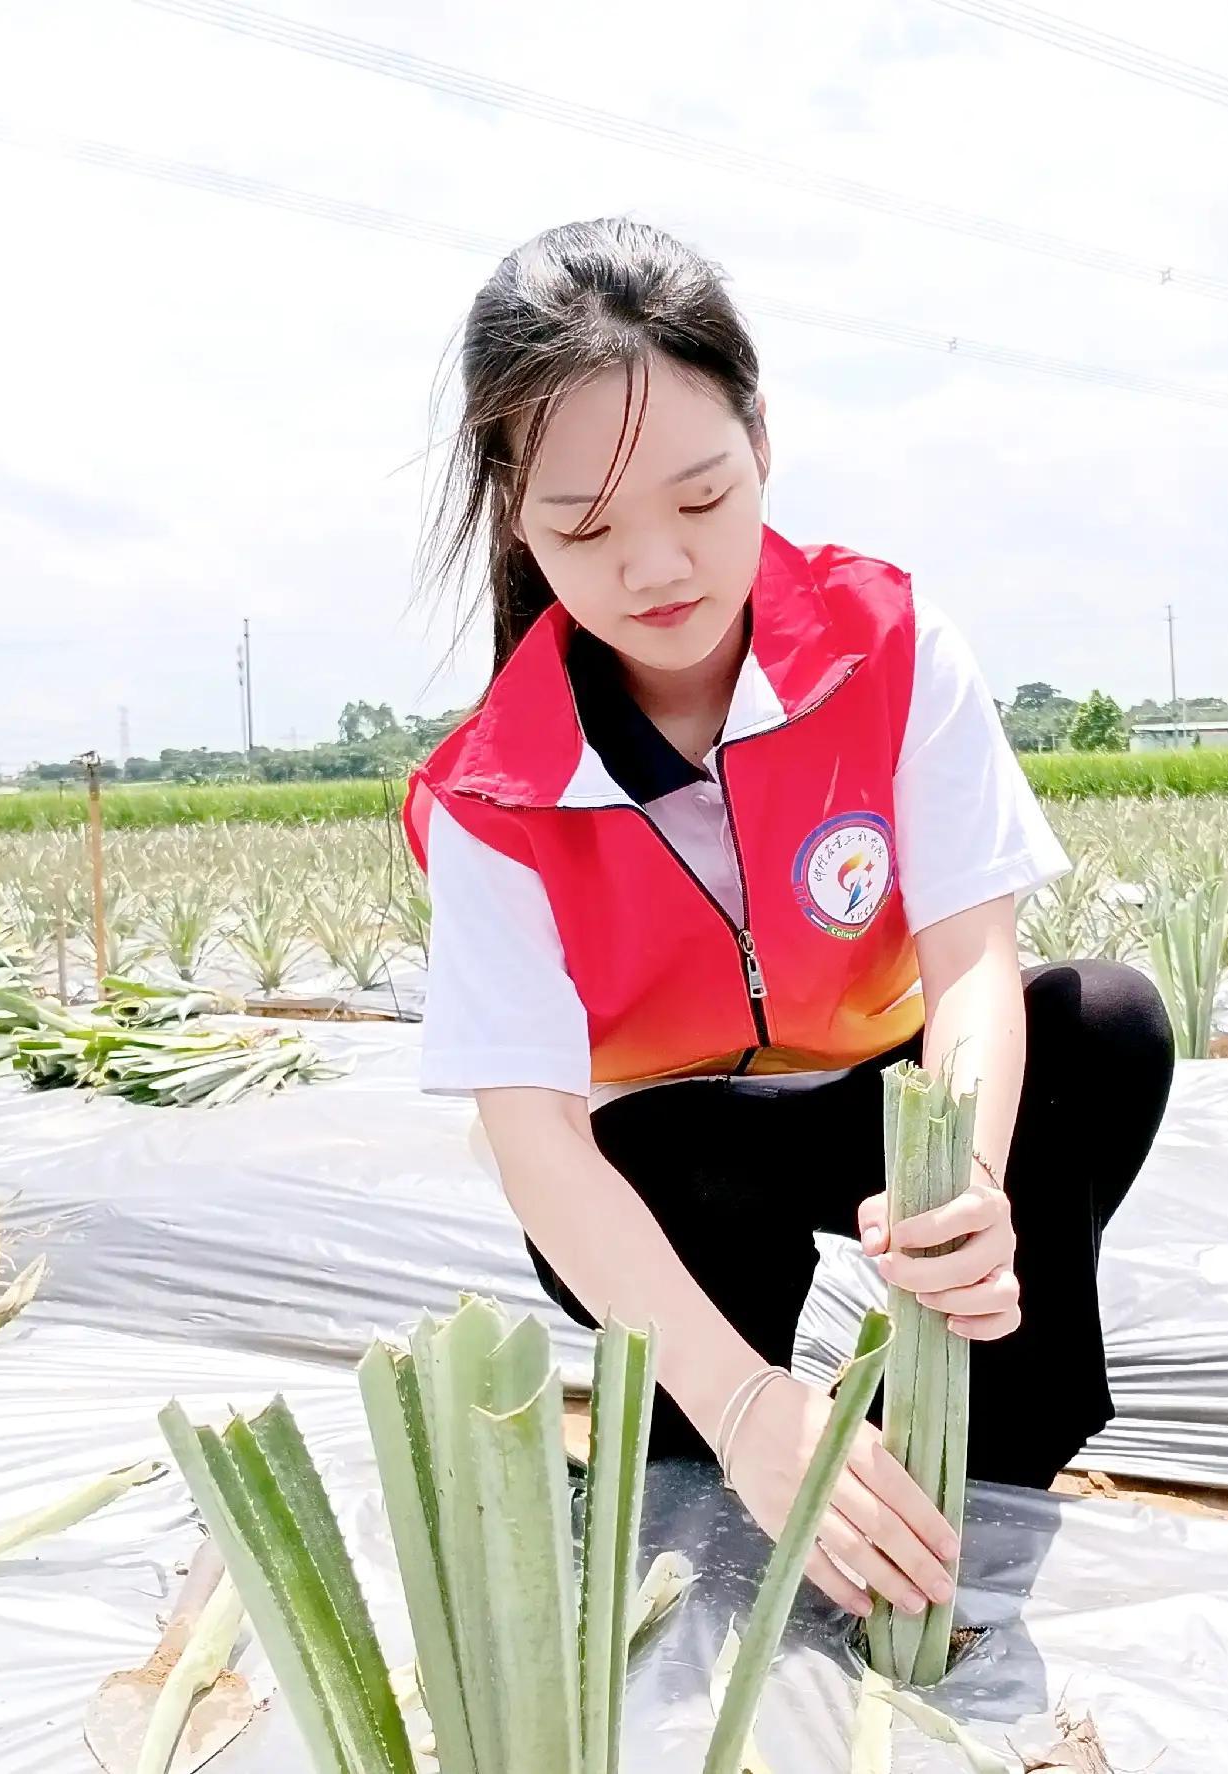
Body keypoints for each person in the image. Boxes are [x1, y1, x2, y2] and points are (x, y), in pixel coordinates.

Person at [405, 218, 1173, 1623]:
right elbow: (534, 1138)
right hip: (676, 1168)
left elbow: (971, 958)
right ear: (514, 513)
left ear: (761, 434)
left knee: (1102, 1024)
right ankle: (708, 1418)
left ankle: (990, 1447)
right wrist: (752, 1401)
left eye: (700, 498)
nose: (654, 568)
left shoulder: (886, 643)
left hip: (883, 1110)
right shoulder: (493, 792)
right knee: (691, 1356)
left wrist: (968, 1181)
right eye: (585, 526)